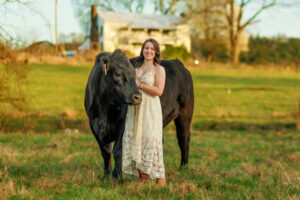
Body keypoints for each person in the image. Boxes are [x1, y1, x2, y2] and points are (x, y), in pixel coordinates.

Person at [122, 38, 166, 185]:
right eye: (146, 48)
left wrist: (140, 84)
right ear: (142, 50)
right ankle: (143, 176)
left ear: (156, 52)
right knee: (137, 139)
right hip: (135, 109)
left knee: (150, 139)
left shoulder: (159, 69)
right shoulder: (136, 69)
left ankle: (160, 177)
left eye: (152, 49)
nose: (148, 51)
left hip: (150, 109)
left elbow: (159, 91)